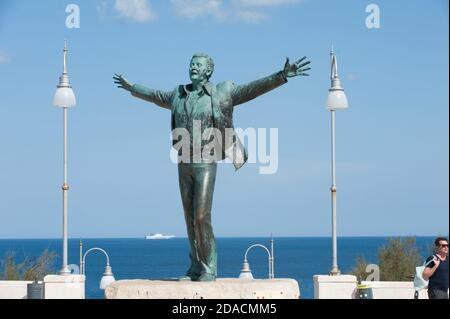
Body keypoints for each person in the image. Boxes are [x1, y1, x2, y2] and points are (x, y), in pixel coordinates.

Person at [113, 53, 310, 281]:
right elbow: (156, 96)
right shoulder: (179, 94)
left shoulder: (221, 93)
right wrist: (132, 88)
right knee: (188, 218)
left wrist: (281, 75)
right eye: (191, 64)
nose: (193, 67)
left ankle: (209, 267)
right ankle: (196, 266)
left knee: (201, 216)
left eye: (198, 65)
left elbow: (252, 89)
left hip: (206, 161)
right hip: (183, 161)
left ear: (208, 71)